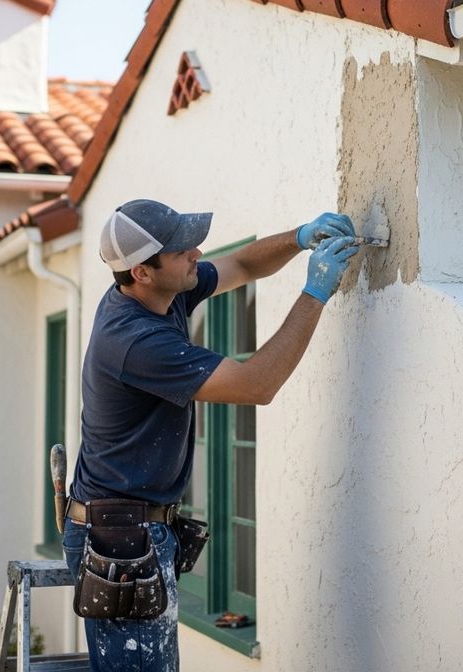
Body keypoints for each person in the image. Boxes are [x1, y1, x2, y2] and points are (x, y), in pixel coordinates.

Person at [64, 199, 359, 672]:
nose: (197, 252)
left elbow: (242, 263)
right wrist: (316, 292)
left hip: (134, 528)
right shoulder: (135, 340)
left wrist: (301, 235)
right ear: (142, 271)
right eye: (183, 249)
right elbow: (256, 386)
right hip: (119, 538)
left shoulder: (163, 290)